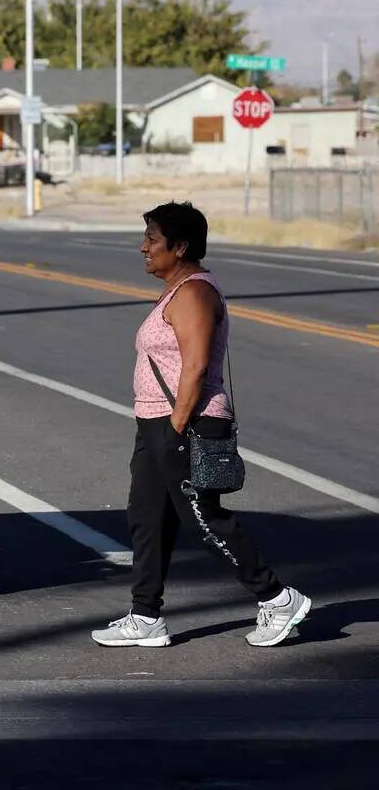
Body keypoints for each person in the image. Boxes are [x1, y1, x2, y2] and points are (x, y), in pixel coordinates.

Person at [93, 201, 310, 649]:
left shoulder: (194, 292)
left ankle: (277, 597)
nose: (144, 248)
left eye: (153, 240)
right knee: (147, 519)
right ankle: (145, 615)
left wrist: (174, 429)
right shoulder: (177, 289)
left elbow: (193, 369)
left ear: (181, 246)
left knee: (204, 519)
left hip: (187, 422)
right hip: (156, 421)